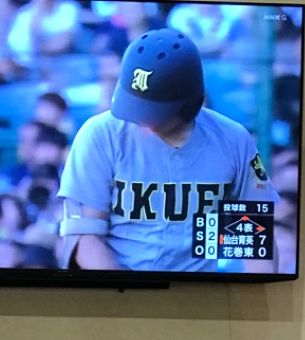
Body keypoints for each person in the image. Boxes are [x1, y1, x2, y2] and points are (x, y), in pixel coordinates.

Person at [58, 28, 277, 273]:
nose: (141, 119)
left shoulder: (233, 140)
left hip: (200, 295)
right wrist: (128, 300)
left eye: (153, 111)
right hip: (116, 292)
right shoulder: (100, 134)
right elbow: (85, 237)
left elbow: (256, 238)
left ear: (190, 103)